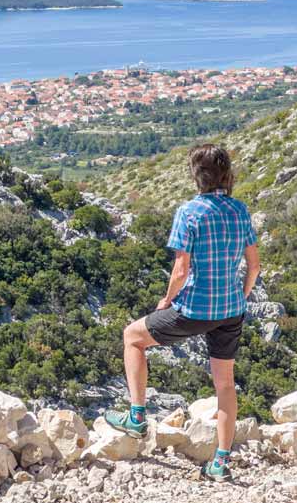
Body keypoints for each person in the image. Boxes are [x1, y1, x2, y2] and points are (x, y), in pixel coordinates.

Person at [104, 143, 261, 481]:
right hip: (231, 309)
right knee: (225, 385)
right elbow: (254, 265)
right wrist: (241, 297)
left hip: (194, 308)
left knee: (133, 337)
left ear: (196, 176)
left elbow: (180, 270)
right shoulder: (240, 210)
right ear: (226, 175)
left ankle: (137, 417)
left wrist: (165, 301)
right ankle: (220, 462)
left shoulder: (189, 212)